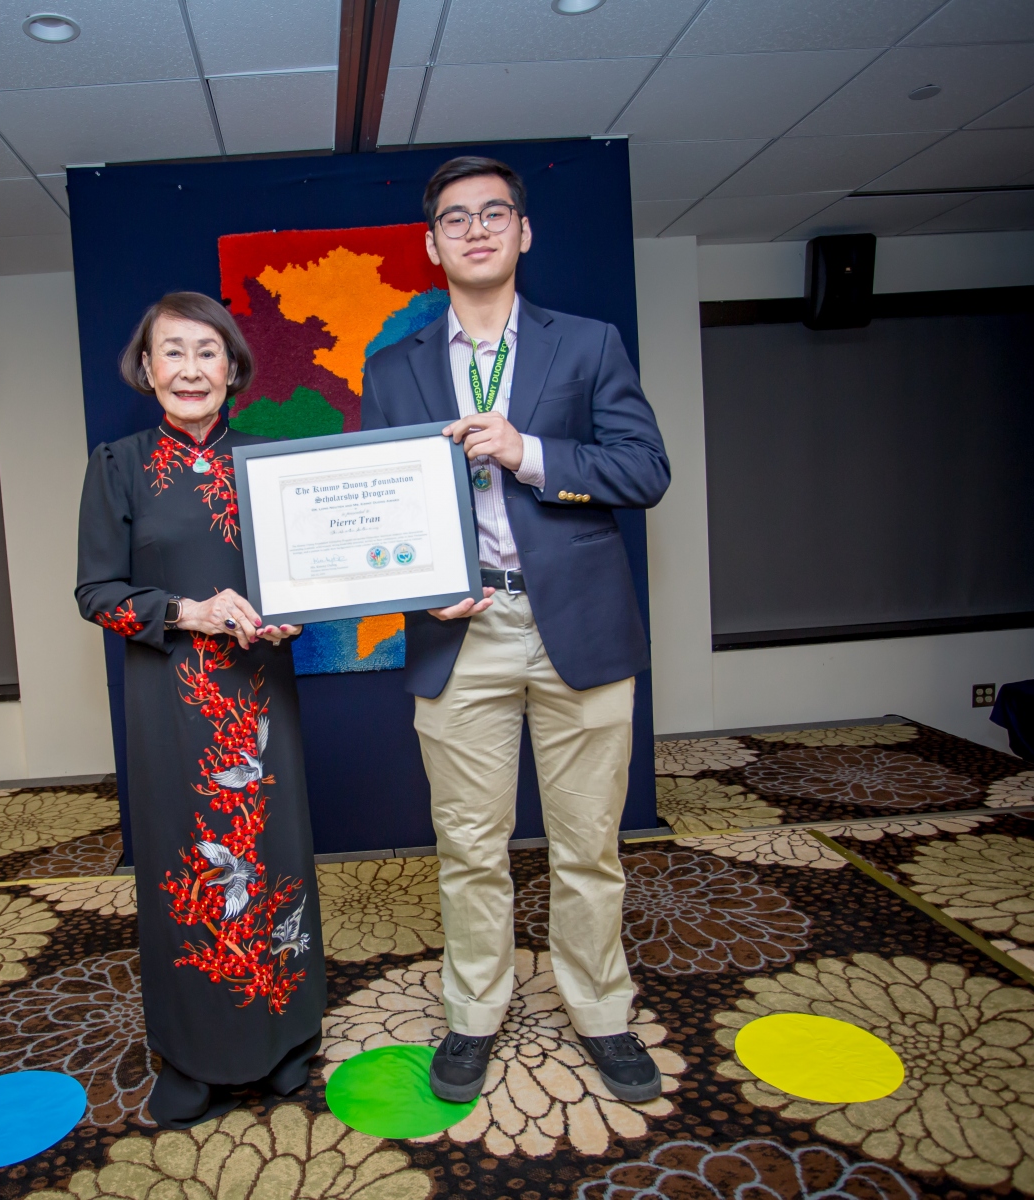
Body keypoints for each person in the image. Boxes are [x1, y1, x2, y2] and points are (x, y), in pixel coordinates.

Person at [360, 158, 671, 1105]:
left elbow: (644, 470)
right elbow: (381, 510)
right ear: (432, 246)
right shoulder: (393, 367)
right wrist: (418, 589)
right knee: (469, 847)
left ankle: (602, 1013)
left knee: (587, 844)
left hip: (578, 624)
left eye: (494, 213)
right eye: (455, 219)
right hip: (461, 632)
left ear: (522, 233)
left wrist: (529, 452)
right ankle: (473, 1015)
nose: (477, 229)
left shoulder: (588, 343)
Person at [76, 292, 325, 1128]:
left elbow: (307, 576)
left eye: (207, 352)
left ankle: (284, 1036)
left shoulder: (270, 464)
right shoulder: (118, 464)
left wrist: (293, 612)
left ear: (232, 368)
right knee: (184, 866)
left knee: (272, 854)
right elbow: (96, 594)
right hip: (169, 700)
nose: (190, 369)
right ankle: (190, 1053)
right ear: (147, 369)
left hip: (258, 695)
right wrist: (190, 612)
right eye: (172, 352)